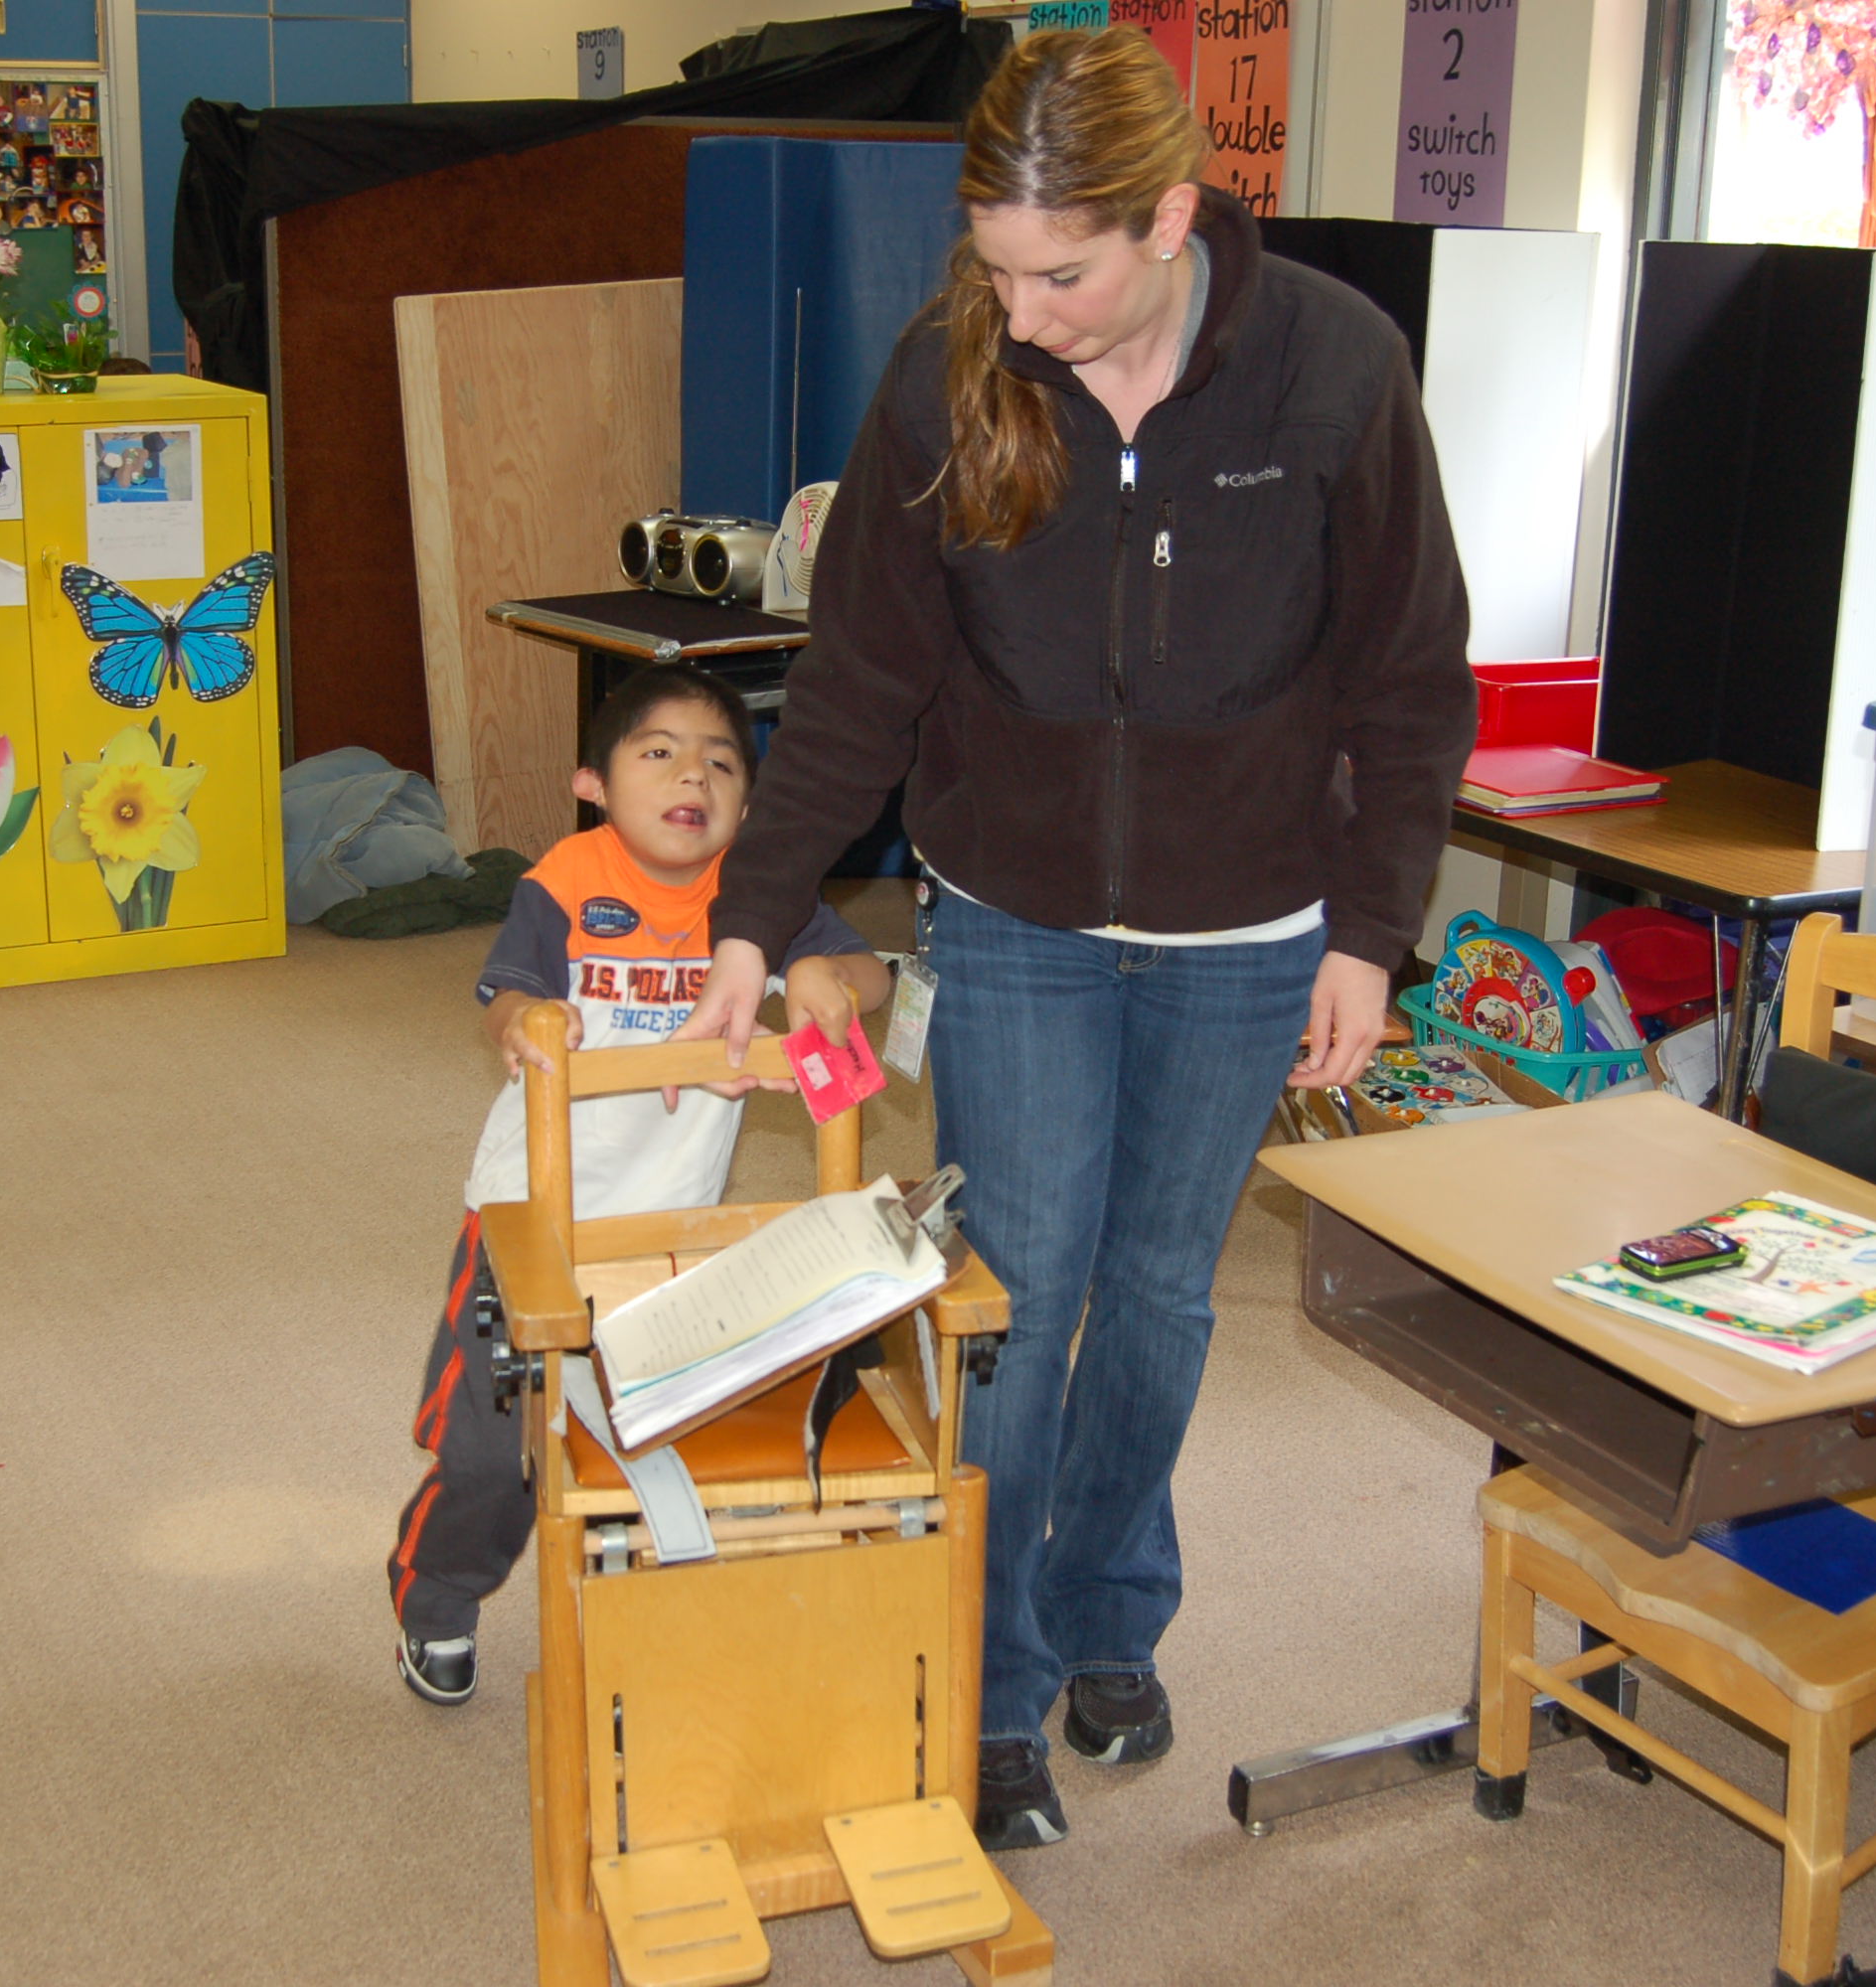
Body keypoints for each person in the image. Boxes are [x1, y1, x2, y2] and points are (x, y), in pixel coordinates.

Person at [674, 27, 1477, 1848]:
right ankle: (994, 1677)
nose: (1017, 311)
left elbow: (1409, 678)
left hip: (1251, 928)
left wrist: (1371, 930)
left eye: (1061, 272)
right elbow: (862, 679)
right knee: (1015, 1308)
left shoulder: (1333, 368)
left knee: (1163, 1307)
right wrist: (753, 912)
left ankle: (1114, 1607)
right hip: (1017, 913)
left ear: (1170, 220)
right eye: (990, 263)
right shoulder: (941, 380)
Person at [387, 665, 895, 1706]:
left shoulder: (758, 893)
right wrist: (530, 1020)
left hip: (671, 1234)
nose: (689, 776)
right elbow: (505, 990)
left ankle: (641, 1620)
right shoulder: (566, 877)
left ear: (748, 805)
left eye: (718, 763)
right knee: (492, 1455)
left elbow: (871, 974)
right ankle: (436, 1589)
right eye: (656, 753)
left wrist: (824, 976)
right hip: (526, 1215)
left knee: (651, 1436)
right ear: (593, 783)